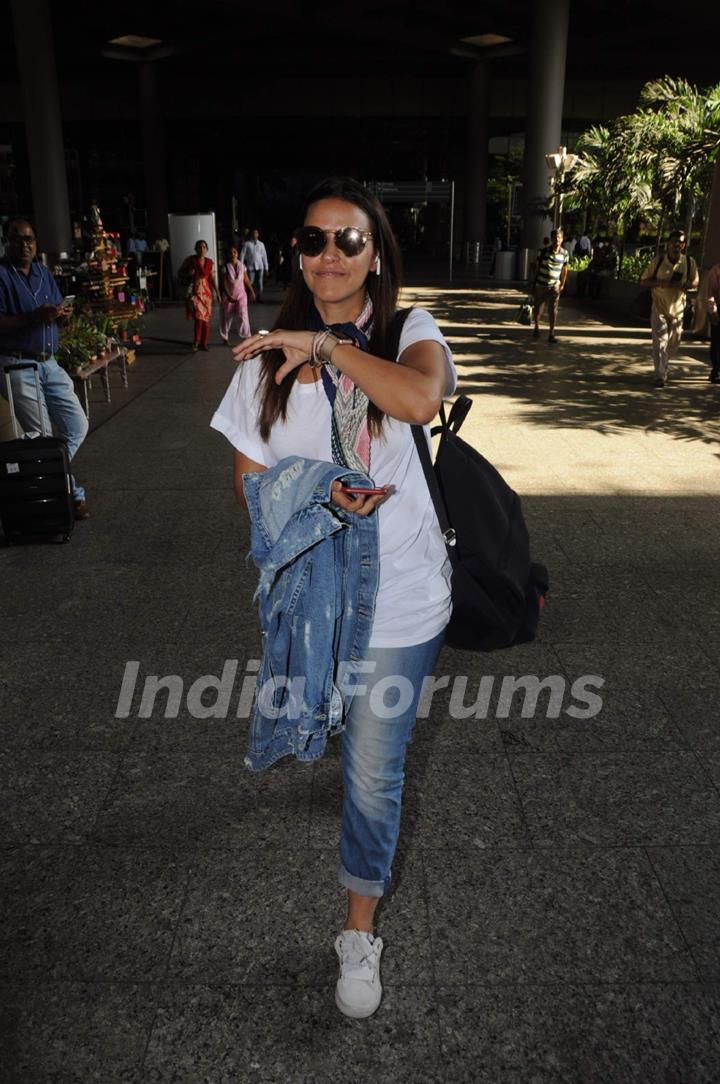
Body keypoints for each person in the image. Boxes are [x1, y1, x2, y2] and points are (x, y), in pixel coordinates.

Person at [210, 176, 456, 1020]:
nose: (329, 255)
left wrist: (321, 347)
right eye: (313, 241)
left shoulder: (406, 330)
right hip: (309, 592)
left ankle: (358, 930)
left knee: (373, 773)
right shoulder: (262, 361)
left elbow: (419, 397)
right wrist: (319, 495)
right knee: (328, 727)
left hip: (400, 595)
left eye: (349, 240)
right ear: (297, 255)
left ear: (377, 254)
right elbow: (248, 479)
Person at [0, 217, 89, 519]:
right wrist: (34, 317)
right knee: (41, 435)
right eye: (17, 239)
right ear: (6, 241)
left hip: (48, 361)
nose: (24, 245)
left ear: (36, 243)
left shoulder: (42, 272)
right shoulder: (2, 275)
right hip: (17, 363)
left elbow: (51, 309)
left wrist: (60, 313)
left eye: (29, 240)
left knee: (77, 425)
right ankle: (72, 494)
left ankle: (48, 473)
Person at [640, 229, 699, 388]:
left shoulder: (689, 262)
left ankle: (662, 365)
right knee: (660, 343)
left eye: (680, 242)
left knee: (674, 343)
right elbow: (643, 281)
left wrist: (685, 285)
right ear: (668, 245)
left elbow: (695, 282)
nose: (676, 246)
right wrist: (659, 283)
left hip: (678, 311)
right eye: (674, 242)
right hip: (659, 309)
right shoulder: (658, 261)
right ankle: (660, 376)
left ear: (684, 245)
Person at [180, 240, 221, 352]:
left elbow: (211, 279)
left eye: (204, 247)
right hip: (195, 293)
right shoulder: (191, 260)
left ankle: (205, 343)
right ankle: (196, 342)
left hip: (207, 295)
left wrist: (217, 293)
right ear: (196, 249)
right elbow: (180, 273)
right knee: (199, 319)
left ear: (207, 249)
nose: (202, 249)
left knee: (206, 320)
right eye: (199, 247)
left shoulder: (209, 262)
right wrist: (189, 274)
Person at [532, 227, 569, 343]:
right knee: (538, 309)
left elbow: (565, 270)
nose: (557, 239)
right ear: (552, 239)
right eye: (555, 237)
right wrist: (534, 283)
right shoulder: (543, 252)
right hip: (541, 285)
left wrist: (562, 285)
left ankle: (551, 333)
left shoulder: (565, 254)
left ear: (562, 239)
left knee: (553, 310)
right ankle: (536, 327)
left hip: (554, 286)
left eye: (559, 237)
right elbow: (537, 268)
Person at [219, 246, 255, 344]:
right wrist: (228, 294)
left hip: (241, 295)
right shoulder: (225, 267)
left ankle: (246, 336)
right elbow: (224, 283)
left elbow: (246, 280)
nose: (233, 254)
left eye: (234, 252)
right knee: (227, 317)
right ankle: (224, 336)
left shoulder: (242, 266)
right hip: (229, 296)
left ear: (237, 254)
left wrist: (251, 291)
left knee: (243, 315)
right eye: (231, 253)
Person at [703, 261, 720, 384]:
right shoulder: (716, 270)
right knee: (717, 341)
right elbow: (710, 292)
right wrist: (712, 311)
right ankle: (716, 370)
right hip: (719, 309)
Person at [241, 229, 269, 302]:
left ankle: (259, 298)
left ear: (258, 235)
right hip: (250, 266)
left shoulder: (261, 244)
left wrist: (266, 268)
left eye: (256, 233)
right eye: (253, 233)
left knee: (260, 282)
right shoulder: (247, 243)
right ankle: (249, 297)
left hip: (260, 266)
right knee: (250, 282)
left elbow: (264, 256)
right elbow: (242, 254)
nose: (255, 235)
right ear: (251, 234)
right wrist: (241, 265)